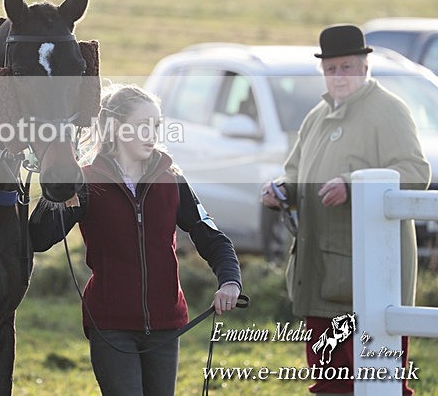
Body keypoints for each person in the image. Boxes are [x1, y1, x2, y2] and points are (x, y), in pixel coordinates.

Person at [29, 83, 242, 396]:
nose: (152, 135)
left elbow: (211, 237)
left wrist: (230, 281)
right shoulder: (86, 181)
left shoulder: (171, 178)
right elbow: (38, 238)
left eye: (156, 126)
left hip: (166, 326)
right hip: (111, 327)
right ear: (115, 128)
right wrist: (58, 195)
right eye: (143, 126)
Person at [261, 24, 430, 395]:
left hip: (370, 276)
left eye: (347, 67)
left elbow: (416, 174)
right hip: (321, 273)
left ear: (365, 66)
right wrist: (282, 190)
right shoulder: (316, 117)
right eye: (332, 68)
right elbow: (295, 171)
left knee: (379, 381)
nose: (339, 77)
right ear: (323, 70)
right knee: (329, 383)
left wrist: (352, 185)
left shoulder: (389, 111)